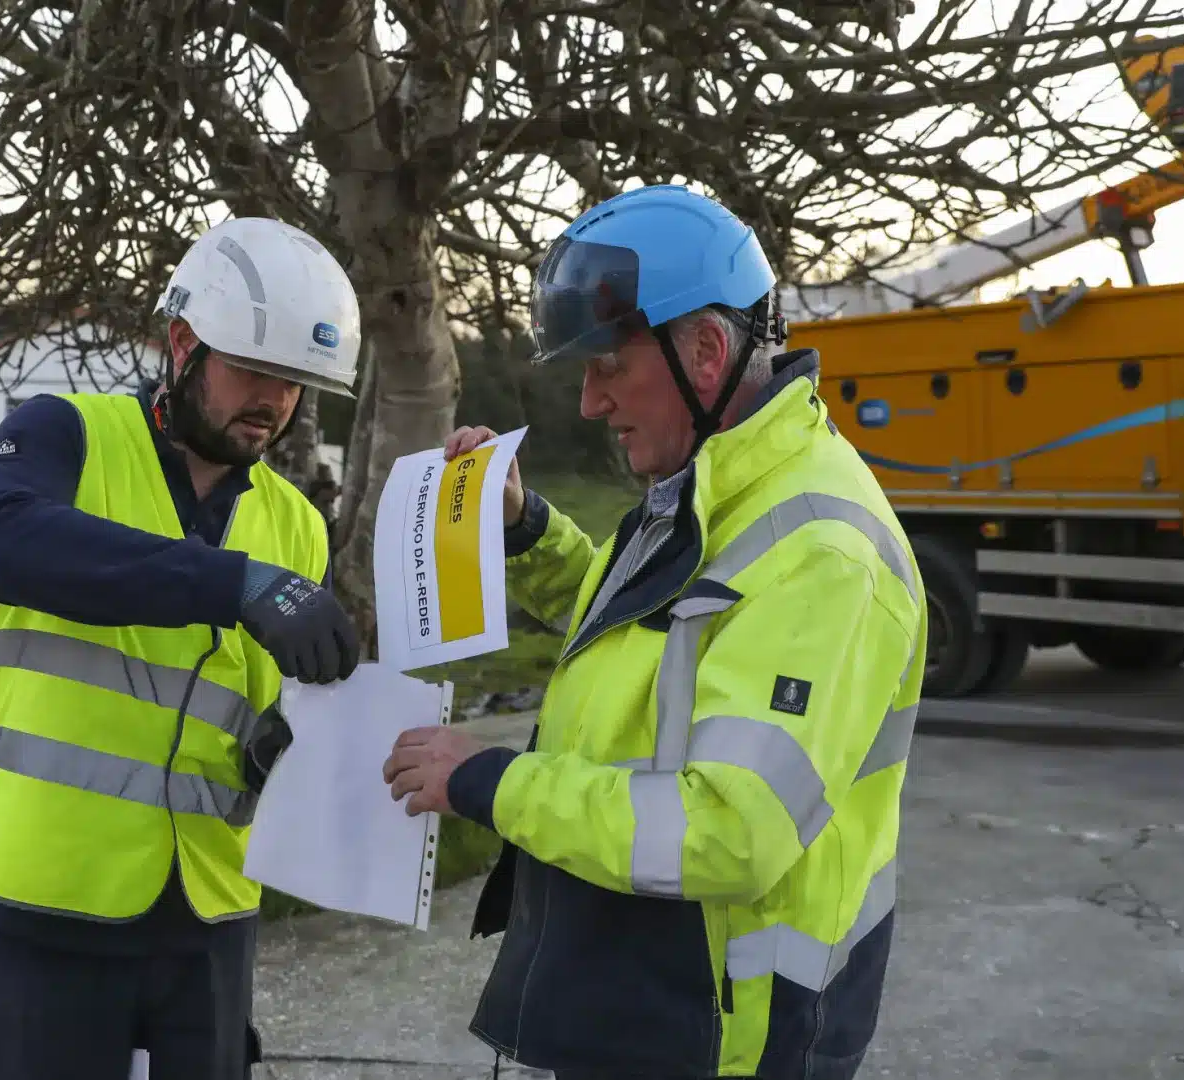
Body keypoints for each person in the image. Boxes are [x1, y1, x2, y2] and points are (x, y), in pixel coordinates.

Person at [383, 185, 927, 1080]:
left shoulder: (823, 552)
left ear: (707, 353)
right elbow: (643, 629)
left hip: (730, 1033)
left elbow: (729, 829)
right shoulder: (715, 484)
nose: (591, 403)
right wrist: (524, 528)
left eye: (607, 368)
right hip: (648, 995)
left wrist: (488, 778)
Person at [0, 216, 365, 1079]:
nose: (274, 402)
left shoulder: (297, 523)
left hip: (210, 914)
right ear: (181, 342)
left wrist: (296, 746)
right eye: (254, 369)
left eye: (293, 382)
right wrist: (232, 585)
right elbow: (0, 543)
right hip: (48, 903)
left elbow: (268, 704)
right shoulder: (63, 433)